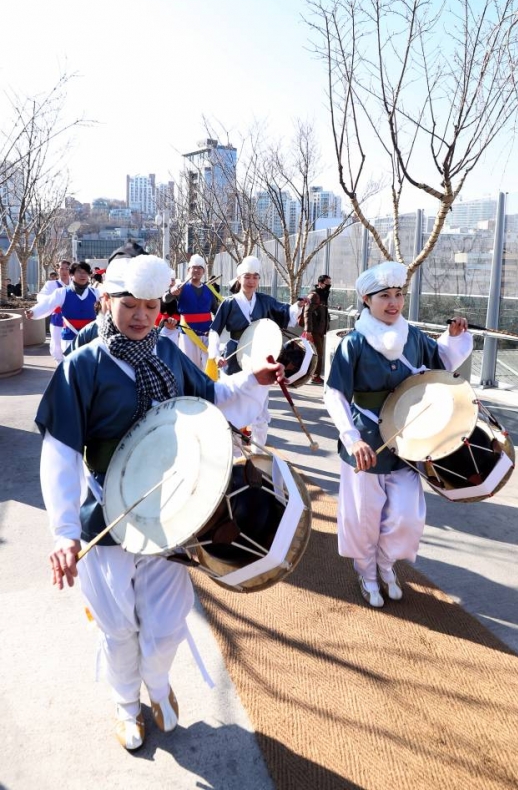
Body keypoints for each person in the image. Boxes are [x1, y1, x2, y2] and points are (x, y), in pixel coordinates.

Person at [35, 254, 284, 752]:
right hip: (108, 512)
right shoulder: (83, 365)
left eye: (151, 305)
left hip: (173, 512)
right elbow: (60, 450)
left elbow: (212, 396)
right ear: (108, 301)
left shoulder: (168, 355)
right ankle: (127, 704)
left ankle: (159, 683)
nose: (141, 316)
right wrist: (63, 532)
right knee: (117, 624)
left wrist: (252, 381)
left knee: (167, 623)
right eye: (130, 304)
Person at [324, 261, 472, 609]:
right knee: (364, 516)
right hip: (366, 444)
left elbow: (441, 364)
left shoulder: (414, 336)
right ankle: (367, 573)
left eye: (399, 295)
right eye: (384, 296)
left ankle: (386, 564)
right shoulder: (354, 343)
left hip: (407, 444)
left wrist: (454, 338)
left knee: (406, 515)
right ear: (366, 299)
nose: (393, 302)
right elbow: (334, 394)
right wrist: (351, 437)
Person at [208, 255, 302, 450]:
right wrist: (215, 354)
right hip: (234, 356)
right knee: (230, 404)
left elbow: (286, 314)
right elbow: (214, 330)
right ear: (239, 278)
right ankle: (231, 453)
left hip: (260, 358)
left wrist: (299, 306)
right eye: (247, 276)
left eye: (255, 277)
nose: (251, 281)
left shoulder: (265, 301)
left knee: (261, 407)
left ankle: (258, 452)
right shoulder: (229, 303)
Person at [26, 261, 99, 358]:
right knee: (69, 364)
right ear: (72, 274)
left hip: (90, 336)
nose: (83, 275)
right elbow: (47, 303)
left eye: (85, 272)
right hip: (69, 335)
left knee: (90, 366)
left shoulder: (96, 292)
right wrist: (34, 311)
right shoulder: (61, 292)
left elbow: (109, 305)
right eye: (79, 272)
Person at [165, 255, 220, 370]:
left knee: (208, 367)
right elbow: (165, 299)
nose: (196, 270)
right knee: (190, 367)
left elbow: (217, 311)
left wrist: (215, 330)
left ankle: (207, 388)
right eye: (193, 267)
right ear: (188, 270)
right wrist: (172, 292)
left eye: (200, 268)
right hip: (187, 334)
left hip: (206, 334)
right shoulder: (180, 288)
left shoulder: (209, 289)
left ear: (203, 271)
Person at [37, 260, 71, 363]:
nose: (64, 271)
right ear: (57, 270)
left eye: (67, 268)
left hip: (73, 320)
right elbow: (40, 296)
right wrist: (53, 302)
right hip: (57, 320)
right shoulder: (51, 284)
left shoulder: (76, 283)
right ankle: (60, 364)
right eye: (61, 268)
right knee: (57, 344)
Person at [301, 274, 332, 384]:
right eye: (327, 284)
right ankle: (315, 376)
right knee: (317, 353)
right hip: (313, 330)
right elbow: (307, 312)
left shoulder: (323, 294)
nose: (329, 286)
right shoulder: (314, 295)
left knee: (318, 353)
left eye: (330, 284)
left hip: (320, 329)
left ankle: (315, 375)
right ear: (320, 283)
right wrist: (308, 330)